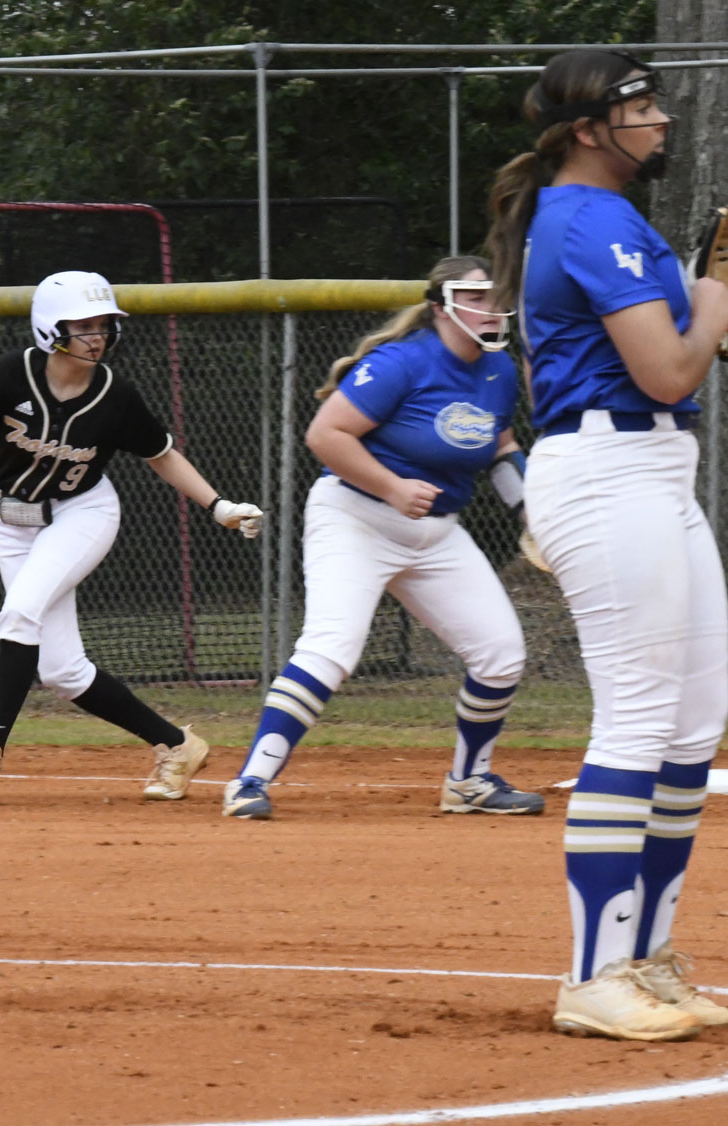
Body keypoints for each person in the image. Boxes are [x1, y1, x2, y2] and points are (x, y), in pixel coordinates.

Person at [484, 50, 728, 1041]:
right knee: (638, 718)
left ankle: (647, 960)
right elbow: (670, 371)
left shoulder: (606, 216)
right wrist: (715, 303)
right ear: (587, 128)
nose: (660, 118)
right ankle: (593, 977)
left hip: (654, 473)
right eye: (637, 105)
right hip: (608, 470)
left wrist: (707, 313)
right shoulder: (586, 217)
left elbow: (666, 371)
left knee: (692, 725)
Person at [0, 270, 264, 802]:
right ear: (50, 329)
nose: (98, 336)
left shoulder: (115, 396)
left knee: (19, 614)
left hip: (82, 514)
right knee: (63, 672)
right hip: (11, 519)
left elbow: (162, 455)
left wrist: (218, 504)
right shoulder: (11, 375)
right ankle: (176, 744)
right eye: (83, 326)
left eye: (104, 325)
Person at [221, 255, 544, 821]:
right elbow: (325, 434)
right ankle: (249, 781)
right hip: (356, 516)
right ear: (444, 306)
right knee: (332, 647)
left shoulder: (499, 370)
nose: (493, 308)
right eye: (477, 296)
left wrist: (532, 512)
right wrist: (392, 486)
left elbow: (500, 449)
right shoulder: (405, 361)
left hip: (434, 533)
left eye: (497, 297)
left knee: (500, 654)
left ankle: (468, 782)